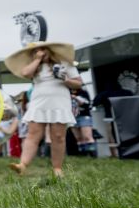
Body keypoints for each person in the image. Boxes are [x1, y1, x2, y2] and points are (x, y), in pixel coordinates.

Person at [5, 42, 82, 177]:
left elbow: (78, 83)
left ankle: (57, 168)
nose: (40, 52)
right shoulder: (35, 66)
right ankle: (22, 165)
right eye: (36, 51)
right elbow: (26, 73)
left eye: (42, 49)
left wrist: (65, 79)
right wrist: (38, 59)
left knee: (58, 136)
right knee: (33, 134)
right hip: (39, 102)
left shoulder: (64, 63)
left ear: (49, 50)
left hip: (59, 102)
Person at [70, 86, 96, 157]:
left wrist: (75, 98)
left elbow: (87, 104)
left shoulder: (83, 93)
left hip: (84, 116)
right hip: (72, 117)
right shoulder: (66, 92)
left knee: (87, 136)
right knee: (78, 138)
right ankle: (83, 155)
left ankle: (93, 156)